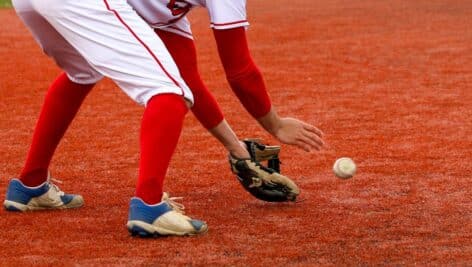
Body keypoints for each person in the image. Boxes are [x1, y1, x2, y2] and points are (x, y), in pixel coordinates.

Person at [4, 0, 323, 237]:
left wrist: (236, 148)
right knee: (167, 93)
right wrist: (276, 125)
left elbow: (190, 80)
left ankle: (31, 185)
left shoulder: (164, 9)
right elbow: (240, 72)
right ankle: (149, 205)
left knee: (83, 71)